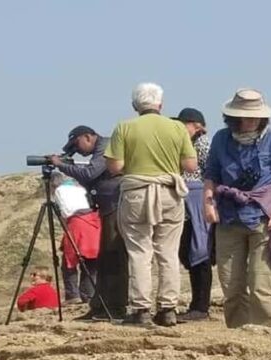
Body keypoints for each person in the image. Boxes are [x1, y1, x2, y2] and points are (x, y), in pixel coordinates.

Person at [203, 88, 271, 328]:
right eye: (245, 117)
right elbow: (211, 175)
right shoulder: (220, 139)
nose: (250, 121)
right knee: (231, 285)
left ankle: (262, 334)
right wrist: (208, 202)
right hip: (229, 218)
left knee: (260, 284)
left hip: (263, 219)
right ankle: (237, 334)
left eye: (255, 117)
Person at [104, 82, 197, 326]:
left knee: (139, 251)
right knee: (168, 252)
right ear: (161, 104)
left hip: (136, 192)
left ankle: (140, 308)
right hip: (169, 192)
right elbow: (190, 166)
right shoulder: (177, 127)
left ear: (135, 105)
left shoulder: (124, 127)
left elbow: (114, 166)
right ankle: (168, 308)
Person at [51, 125, 128, 319]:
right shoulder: (100, 150)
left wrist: (60, 165)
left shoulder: (107, 145)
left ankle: (115, 306)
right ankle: (100, 306)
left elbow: (89, 174)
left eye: (77, 145)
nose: (78, 151)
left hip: (115, 206)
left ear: (88, 137)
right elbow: (91, 180)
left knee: (113, 257)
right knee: (104, 260)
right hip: (105, 208)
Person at [175, 107, 214, 321]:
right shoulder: (190, 143)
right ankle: (197, 304)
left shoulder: (203, 143)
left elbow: (211, 172)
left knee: (200, 253)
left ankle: (200, 306)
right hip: (189, 202)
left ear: (195, 125)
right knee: (189, 252)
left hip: (199, 200)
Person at [51, 172, 100, 304]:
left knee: (69, 263)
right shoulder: (80, 188)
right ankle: (88, 294)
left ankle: (72, 295)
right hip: (94, 224)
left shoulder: (60, 191)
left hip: (76, 225)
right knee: (91, 263)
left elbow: (64, 214)